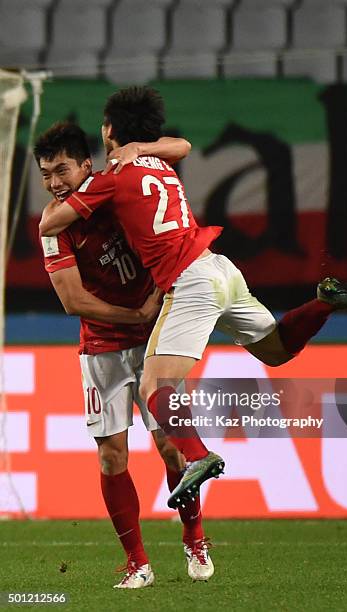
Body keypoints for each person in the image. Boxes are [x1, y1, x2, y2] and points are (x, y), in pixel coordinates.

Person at [39, 86, 347, 511]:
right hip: (219, 267)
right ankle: (325, 301)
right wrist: (141, 146)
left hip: (189, 281)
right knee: (277, 350)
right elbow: (183, 144)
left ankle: (199, 456)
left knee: (154, 384)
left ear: (108, 131)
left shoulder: (112, 178)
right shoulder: (157, 157)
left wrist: (74, 198)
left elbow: (50, 224)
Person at [35, 122, 214, 588]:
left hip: (155, 342)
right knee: (111, 457)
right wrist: (136, 313)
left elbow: (181, 148)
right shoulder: (55, 227)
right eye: (46, 175)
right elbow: (73, 301)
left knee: (171, 447)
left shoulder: (115, 190)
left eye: (62, 170)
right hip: (101, 348)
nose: (55, 183)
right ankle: (138, 562)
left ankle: (194, 539)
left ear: (85, 166)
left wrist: (141, 146)